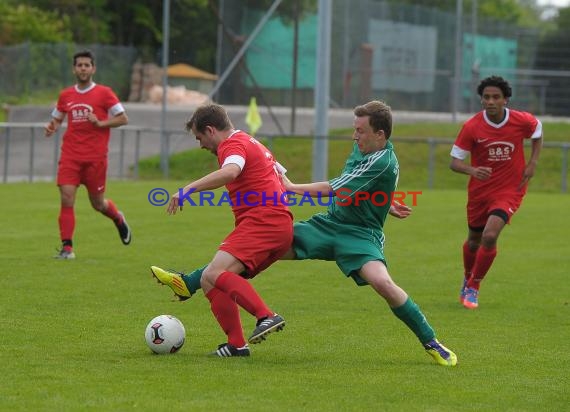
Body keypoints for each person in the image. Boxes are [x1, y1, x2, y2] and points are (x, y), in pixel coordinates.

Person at [153, 100, 457, 366]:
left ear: (380, 134)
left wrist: (292, 188)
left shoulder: (383, 160)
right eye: (354, 129)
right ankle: (194, 288)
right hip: (327, 226)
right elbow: (359, 181)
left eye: (360, 131)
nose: (354, 136)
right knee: (242, 258)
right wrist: (386, 199)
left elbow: (333, 187)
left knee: (383, 283)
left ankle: (431, 341)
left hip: (361, 236)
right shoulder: (363, 149)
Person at [151, 103, 292, 357]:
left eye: (199, 138)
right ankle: (236, 345)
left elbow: (231, 171)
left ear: (210, 130)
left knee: (215, 272)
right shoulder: (253, 142)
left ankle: (266, 316)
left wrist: (189, 189)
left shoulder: (232, 145)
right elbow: (285, 181)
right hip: (277, 225)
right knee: (209, 279)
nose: (201, 145)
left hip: (263, 222)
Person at [450, 75, 543, 309]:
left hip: (510, 189)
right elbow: (454, 162)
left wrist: (532, 163)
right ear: (481, 100)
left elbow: (537, 130)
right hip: (480, 192)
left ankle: (474, 286)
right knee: (473, 241)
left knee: (490, 236)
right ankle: (468, 276)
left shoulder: (520, 121)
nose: (490, 101)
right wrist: (473, 169)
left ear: (505, 100)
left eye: (496, 97)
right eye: (486, 97)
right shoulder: (472, 126)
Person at [44, 49, 132, 259]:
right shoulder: (66, 95)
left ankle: (118, 218)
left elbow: (123, 118)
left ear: (93, 68)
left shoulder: (104, 93)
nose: (83, 68)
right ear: (74, 69)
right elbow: (57, 118)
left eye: (87, 65)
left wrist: (100, 122)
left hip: (95, 158)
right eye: (79, 65)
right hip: (70, 156)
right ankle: (67, 248)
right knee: (66, 198)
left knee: (98, 204)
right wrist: (52, 126)